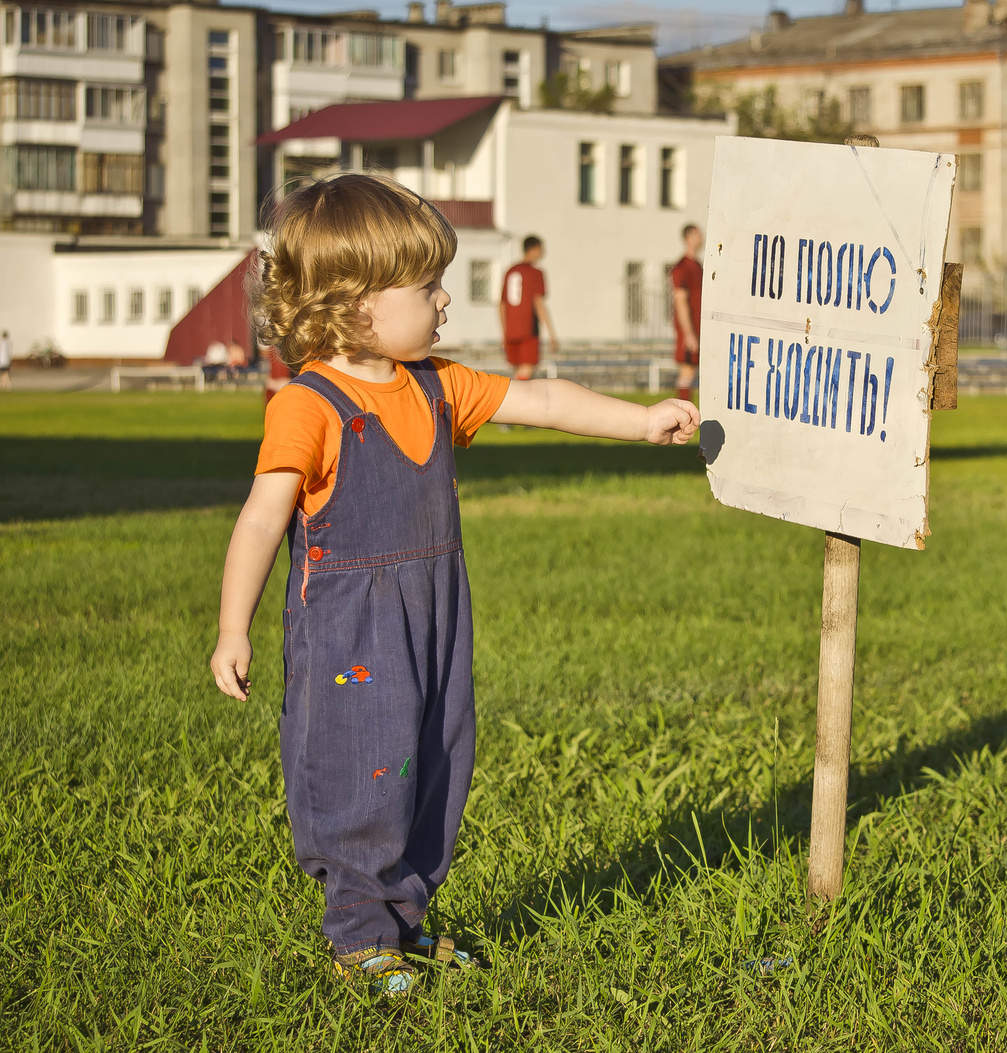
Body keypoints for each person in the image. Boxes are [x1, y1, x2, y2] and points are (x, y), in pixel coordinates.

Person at [208, 174, 698, 999]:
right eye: (429, 286)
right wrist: (234, 627)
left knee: (436, 759)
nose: (444, 302)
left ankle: (404, 916)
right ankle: (360, 930)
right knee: (364, 763)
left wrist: (640, 419)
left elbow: (540, 398)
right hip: (352, 627)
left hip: (436, 612)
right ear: (360, 303)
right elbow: (261, 520)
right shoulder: (309, 405)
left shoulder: (436, 385)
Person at [499, 235, 557, 381]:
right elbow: (538, 303)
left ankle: (513, 400)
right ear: (535, 249)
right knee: (526, 370)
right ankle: (510, 402)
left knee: (518, 370)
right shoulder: (535, 273)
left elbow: (501, 304)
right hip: (528, 328)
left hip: (511, 329)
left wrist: (504, 331)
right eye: (541, 249)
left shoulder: (510, 271)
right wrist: (552, 335)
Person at [671, 223, 704, 401]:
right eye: (698, 235)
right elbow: (680, 301)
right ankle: (682, 420)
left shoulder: (698, 266)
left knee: (693, 372)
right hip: (689, 329)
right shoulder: (682, 267)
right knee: (687, 372)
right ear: (688, 238)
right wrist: (688, 333)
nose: (701, 238)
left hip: (699, 327)